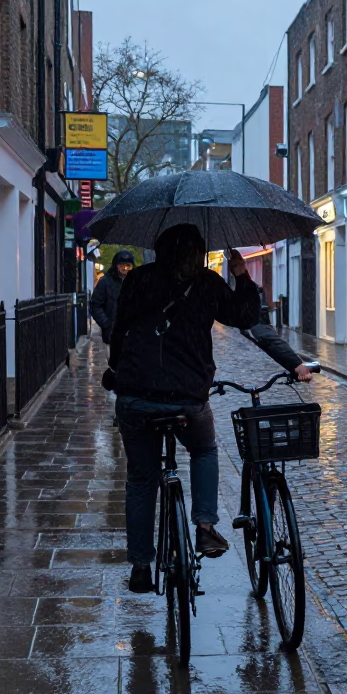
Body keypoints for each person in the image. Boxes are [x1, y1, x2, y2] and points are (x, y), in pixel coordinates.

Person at [105, 224, 263, 594]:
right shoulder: (207, 283)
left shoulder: (139, 280)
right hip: (188, 397)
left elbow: (119, 329)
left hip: (138, 395)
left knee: (142, 479)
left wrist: (117, 368)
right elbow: (245, 317)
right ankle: (205, 528)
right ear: (199, 253)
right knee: (204, 449)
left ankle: (141, 565)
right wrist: (241, 277)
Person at [90, 249, 135, 342]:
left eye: (128, 266)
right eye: (122, 265)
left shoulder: (137, 282)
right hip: (112, 336)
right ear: (116, 266)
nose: (125, 268)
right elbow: (95, 305)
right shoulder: (105, 282)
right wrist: (107, 324)